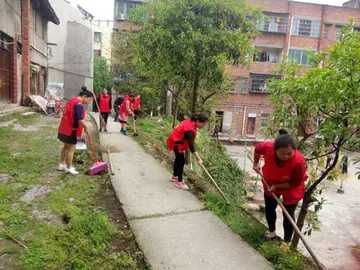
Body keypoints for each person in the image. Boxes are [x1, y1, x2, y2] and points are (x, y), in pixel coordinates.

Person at [253, 129, 308, 243]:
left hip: (291, 186)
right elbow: (257, 150)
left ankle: (286, 241)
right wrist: (255, 163)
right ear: (275, 150)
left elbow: (295, 182)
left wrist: (278, 186)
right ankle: (271, 232)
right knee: (270, 207)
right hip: (271, 180)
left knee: (288, 213)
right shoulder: (268, 147)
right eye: (282, 153)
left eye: (289, 153)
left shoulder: (299, 161)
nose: (286, 156)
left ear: (294, 149)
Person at [166, 114, 208, 190]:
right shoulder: (189, 130)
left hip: (176, 139)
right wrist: (198, 159)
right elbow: (192, 147)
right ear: (198, 121)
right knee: (181, 161)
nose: (203, 126)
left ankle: (175, 176)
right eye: (203, 124)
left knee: (178, 159)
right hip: (176, 142)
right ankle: (180, 182)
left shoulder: (191, 121)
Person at [57, 88, 93, 175]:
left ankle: (62, 164)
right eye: (89, 99)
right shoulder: (79, 105)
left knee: (66, 146)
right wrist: (86, 127)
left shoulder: (72, 100)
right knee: (71, 148)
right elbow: (80, 119)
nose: (89, 101)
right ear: (84, 96)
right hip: (71, 130)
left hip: (64, 128)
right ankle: (69, 168)